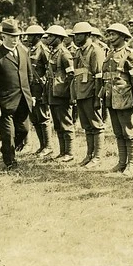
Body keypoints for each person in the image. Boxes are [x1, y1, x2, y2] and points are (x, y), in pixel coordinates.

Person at [0, 20, 33, 169]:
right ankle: (10, 162)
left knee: (23, 130)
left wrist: (32, 95)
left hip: (23, 100)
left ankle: (7, 149)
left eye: (17, 36)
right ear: (3, 36)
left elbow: (29, 75)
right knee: (8, 134)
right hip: (4, 103)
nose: (15, 39)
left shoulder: (23, 52)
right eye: (11, 36)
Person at [102, 23, 133, 176]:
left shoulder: (129, 54)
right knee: (118, 132)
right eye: (109, 34)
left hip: (124, 97)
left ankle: (132, 164)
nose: (111, 38)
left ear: (123, 37)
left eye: (114, 35)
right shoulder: (110, 53)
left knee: (128, 131)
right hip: (111, 96)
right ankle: (121, 162)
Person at [71, 21, 106, 169]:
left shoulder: (95, 51)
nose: (76, 38)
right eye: (75, 35)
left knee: (96, 125)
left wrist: (98, 98)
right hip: (81, 92)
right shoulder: (79, 51)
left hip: (91, 93)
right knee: (87, 126)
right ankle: (89, 154)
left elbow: (99, 76)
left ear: (88, 35)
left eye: (79, 35)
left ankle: (97, 157)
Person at [44, 25, 75, 162]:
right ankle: (62, 152)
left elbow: (71, 75)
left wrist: (67, 93)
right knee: (57, 124)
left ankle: (69, 153)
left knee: (65, 123)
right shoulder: (53, 52)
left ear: (58, 38)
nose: (48, 38)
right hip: (53, 92)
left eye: (51, 36)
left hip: (62, 94)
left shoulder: (64, 53)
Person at [24, 24, 53, 158]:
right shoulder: (30, 49)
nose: (28, 38)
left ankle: (48, 146)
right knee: (35, 118)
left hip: (40, 88)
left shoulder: (43, 50)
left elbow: (50, 69)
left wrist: (45, 86)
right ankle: (42, 146)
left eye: (30, 35)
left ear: (38, 36)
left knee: (43, 117)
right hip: (31, 88)